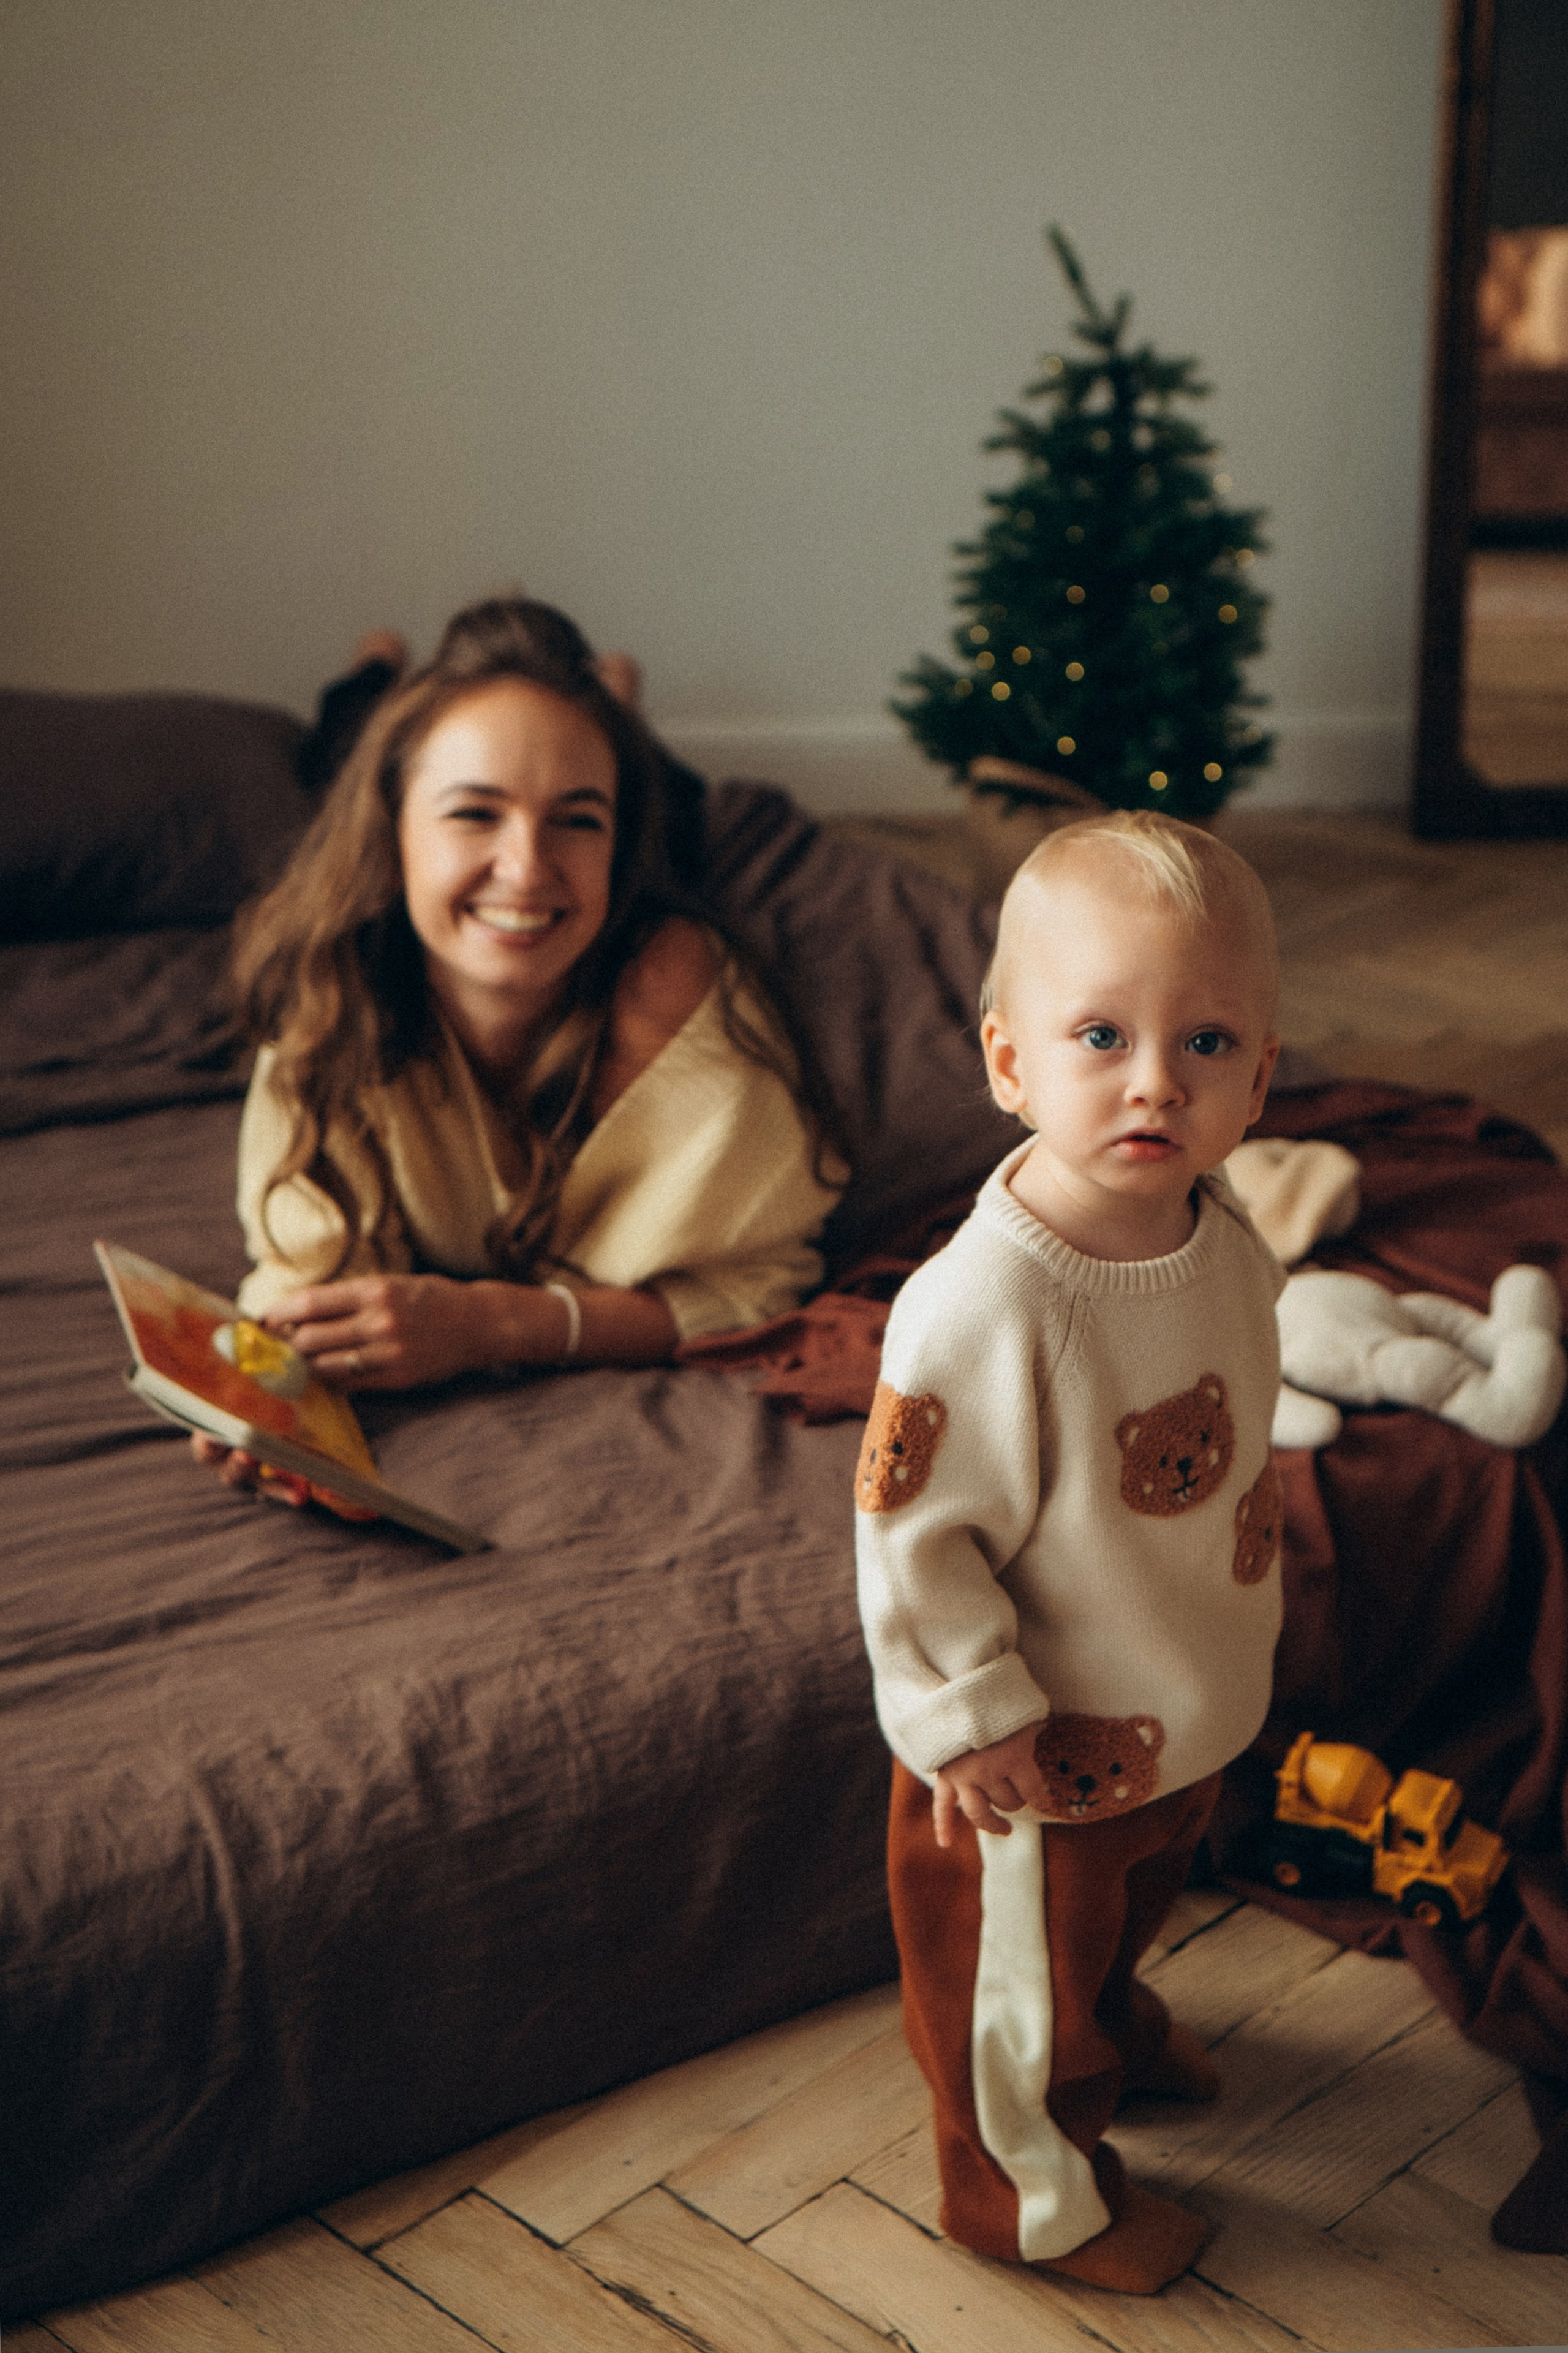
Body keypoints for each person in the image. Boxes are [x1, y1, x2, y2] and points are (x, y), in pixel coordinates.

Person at [854, 809, 1285, 2295]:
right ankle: (1024, 2192)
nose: (1155, 1079)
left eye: (1206, 1041)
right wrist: (966, 1720)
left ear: (1260, 1076)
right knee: (1012, 1986)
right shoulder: (981, 1304)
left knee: (1125, 1909)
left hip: (1176, 1703)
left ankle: (1113, 2017)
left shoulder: (1222, 1230)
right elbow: (912, 1532)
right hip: (1029, 1760)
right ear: (1007, 1061)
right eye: (1098, 1033)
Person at [198, 595, 842, 1498]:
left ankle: (616, 702)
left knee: (666, 808)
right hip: (395, 811)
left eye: (577, 819)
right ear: (394, 833)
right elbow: (308, 1266)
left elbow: (755, 1286)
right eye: (474, 814)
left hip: (638, 875)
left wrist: (498, 1321)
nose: (527, 864)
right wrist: (268, 1383)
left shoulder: (671, 989)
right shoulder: (334, 984)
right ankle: (377, 668)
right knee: (346, 742)